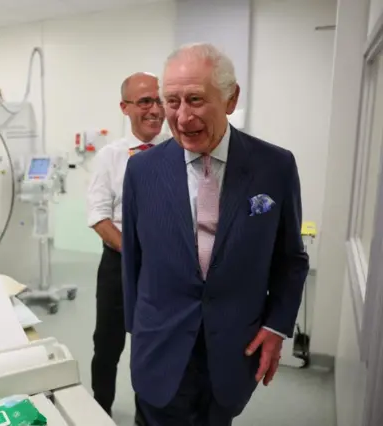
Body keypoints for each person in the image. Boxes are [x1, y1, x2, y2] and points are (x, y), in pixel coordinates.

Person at [121, 44, 310, 426]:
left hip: (235, 348)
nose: (182, 116)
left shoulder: (274, 166)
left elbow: (291, 259)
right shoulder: (142, 171)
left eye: (195, 99)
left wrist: (276, 326)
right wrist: (138, 332)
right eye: (171, 101)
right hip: (160, 347)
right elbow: (133, 262)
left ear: (230, 98)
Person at [86, 72, 167, 416]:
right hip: (119, 265)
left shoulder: (178, 152)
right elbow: (99, 216)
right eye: (145, 101)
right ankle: (99, 411)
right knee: (107, 345)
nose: (155, 109)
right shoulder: (111, 156)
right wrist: (136, 254)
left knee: (152, 348)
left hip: (165, 268)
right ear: (125, 107)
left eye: (160, 100)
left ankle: (146, 417)